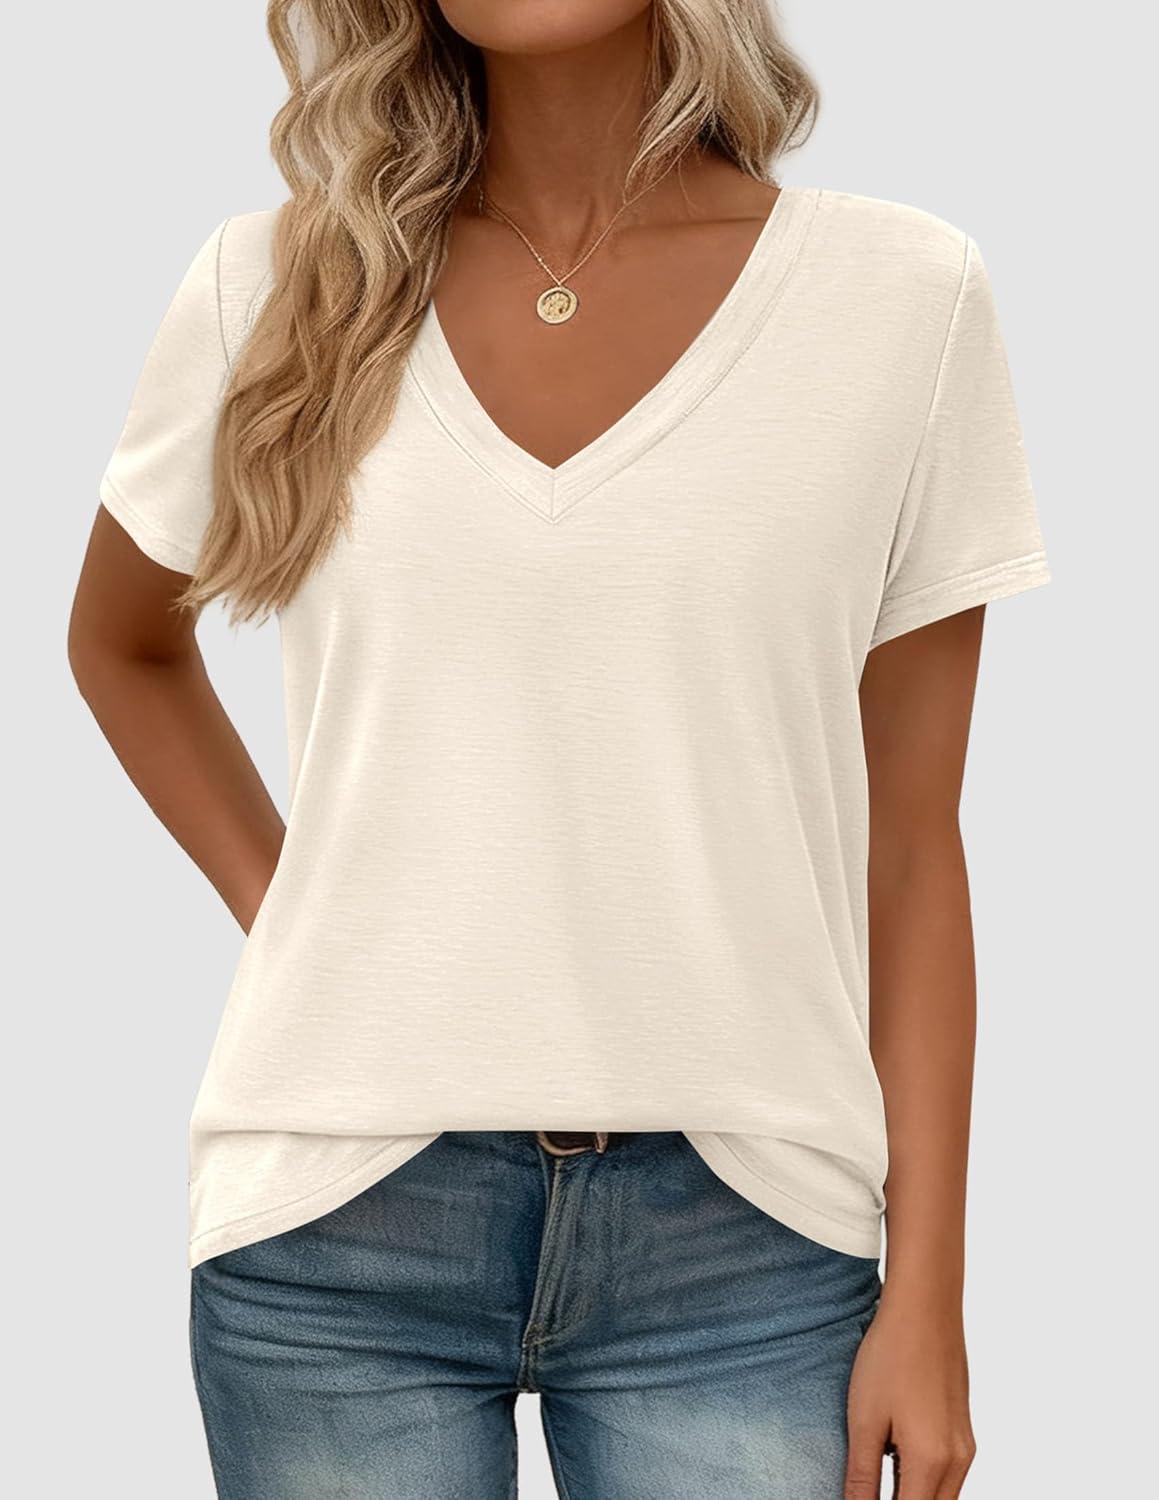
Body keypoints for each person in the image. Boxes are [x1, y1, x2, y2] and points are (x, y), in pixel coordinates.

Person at [68, 2, 1050, 1495]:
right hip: (334, 1233)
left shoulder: (902, 299)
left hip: (750, 1241)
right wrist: (303, 914)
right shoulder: (273, 287)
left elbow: (913, 846)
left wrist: (932, 1298)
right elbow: (122, 643)